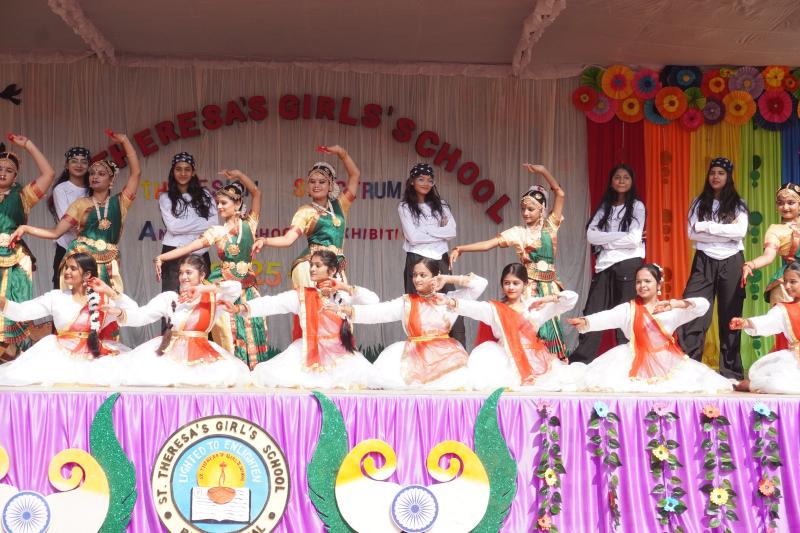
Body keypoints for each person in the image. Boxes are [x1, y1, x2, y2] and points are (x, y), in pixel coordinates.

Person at [450, 164, 569, 360]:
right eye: (523, 209)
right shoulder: (517, 233)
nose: (526, 213)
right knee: (531, 327)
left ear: (542, 209)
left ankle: (552, 364)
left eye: (531, 209)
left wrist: (543, 172)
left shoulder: (551, 226)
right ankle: (526, 363)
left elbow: (560, 193)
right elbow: (488, 244)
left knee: (552, 328)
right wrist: (462, 248)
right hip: (529, 287)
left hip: (550, 286)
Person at [154, 172, 268, 368]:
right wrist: (162, 257)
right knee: (228, 335)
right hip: (224, 290)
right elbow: (189, 247)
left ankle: (252, 374)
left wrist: (239, 175)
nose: (219, 207)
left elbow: (256, 193)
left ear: (237, 204)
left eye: (224, 203)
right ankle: (230, 372)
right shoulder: (217, 231)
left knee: (253, 330)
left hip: (248, 288)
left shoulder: (250, 224)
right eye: (218, 203)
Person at [567, 264, 733, 393]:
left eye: (647, 281)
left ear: (658, 284)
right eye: (638, 282)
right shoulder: (628, 309)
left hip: (666, 361)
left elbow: (703, 306)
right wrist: (585, 321)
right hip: (631, 359)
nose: (642, 285)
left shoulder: (670, 310)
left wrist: (677, 303)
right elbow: (606, 317)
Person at [12, 131, 141, 293]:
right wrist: (26, 228)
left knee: (105, 302)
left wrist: (124, 140)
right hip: (80, 261)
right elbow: (56, 232)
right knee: (76, 303)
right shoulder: (80, 204)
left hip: (108, 262)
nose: (95, 176)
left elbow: (136, 173)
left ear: (111, 180)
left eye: (101, 174)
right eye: (92, 173)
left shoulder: (120, 202)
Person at [239, 250, 379, 389]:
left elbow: (373, 301)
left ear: (332, 270)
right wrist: (242, 308)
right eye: (311, 265)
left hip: (342, 357)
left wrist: (345, 287)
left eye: (318, 265)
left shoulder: (344, 296)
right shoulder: (303, 296)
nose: (312, 269)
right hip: (309, 354)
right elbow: (274, 303)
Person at [342, 258, 487, 390]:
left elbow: (480, 284)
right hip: (412, 359)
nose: (417, 279)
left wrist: (447, 278)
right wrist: (348, 310)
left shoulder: (449, 300)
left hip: (446, 358)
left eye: (423, 275)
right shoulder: (407, 302)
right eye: (415, 275)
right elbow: (380, 311)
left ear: (435, 276)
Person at [108, 255, 249, 387]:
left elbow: (236, 287)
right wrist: (120, 312)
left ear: (202, 275)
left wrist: (203, 289)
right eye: (181, 273)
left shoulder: (214, 299)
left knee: (220, 377)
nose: (183, 277)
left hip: (201, 354)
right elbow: (142, 316)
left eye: (189, 273)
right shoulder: (169, 298)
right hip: (169, 353)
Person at [0, 253, 134, 386]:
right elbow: (23, 312)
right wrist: (2, 302)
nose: (67, 271)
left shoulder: (103, 300)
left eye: (73, 268)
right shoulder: (56, 297)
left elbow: (133, 311)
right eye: (66, 267)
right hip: (59, 359)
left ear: (87, 274)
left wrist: (110, 292)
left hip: (94, 360)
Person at [451, 263, 584, 391]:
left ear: (525, 284)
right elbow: (472, 307)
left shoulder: (535, 306)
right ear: (502, 285)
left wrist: (547, 299)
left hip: (535, 361)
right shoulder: (495, 310)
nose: (511, 287)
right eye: (507, 283)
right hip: (506, 360)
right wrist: (449, 301)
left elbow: (571, 298)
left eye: (516, 283)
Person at [677, 157, 748, 379]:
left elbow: (740, 232)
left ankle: (731, 372)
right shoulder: (699, 203)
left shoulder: (738, 204)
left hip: (732, 261)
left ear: (728, 177)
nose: (715, 177)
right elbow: (692, 233)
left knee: (730, 314)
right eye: (712, 173)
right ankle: (689, 368)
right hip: (704, 261)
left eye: (721, 173)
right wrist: (724, 231)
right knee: (693, 310)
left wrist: (706, 226)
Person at [251, 145, 360, 287]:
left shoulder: (340, 205)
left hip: (334, 265)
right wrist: (264, 241)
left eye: (322, 182)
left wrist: (342, 153)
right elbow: (287, 239)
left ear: (331, 186)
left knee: (339, 300)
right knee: (311, 301)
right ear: (308, 187)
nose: (316, 185)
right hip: (310, 265)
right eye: (312, 182)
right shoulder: (305, 211)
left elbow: (355, 175)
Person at [570, 164, 645, 364]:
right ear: (611, 181)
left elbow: (634, 239)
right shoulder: (605, 207)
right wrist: (620, 236)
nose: (621, 181)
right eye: (617, 177)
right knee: (593, 311)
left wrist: (606, 240)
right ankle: (581, 362)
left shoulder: (637, 206)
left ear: (632, 182)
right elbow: (591, 236)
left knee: (626, 313)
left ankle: (628, 362)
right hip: (604, 265)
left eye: (626, 177)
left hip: (628, 264)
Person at [397, 162, 465, 347]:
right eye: (421, 179)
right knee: (418, 305)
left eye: (429, 180)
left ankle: (458, 350)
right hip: (417, 257)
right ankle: (420, 350)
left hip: (441, 257)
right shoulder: (405, 207)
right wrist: (438, 230)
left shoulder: (441, 205)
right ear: (412, 181)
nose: (426, 183)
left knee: (450, 303)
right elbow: (413, 237)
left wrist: (425, 230)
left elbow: (451, 231)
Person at [0, 135, 55, 354]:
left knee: (15, 302)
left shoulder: (23, 196)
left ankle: (11, 352)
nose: (2, 172)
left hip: (14, 257)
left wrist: (28, 145)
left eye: (9, 170)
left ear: (15, 176)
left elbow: (49, 174)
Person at [731, 262, 800, 393]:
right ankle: (752, 385)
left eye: (793, 282)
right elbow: (767, 322)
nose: (787, 286)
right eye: (785, 281)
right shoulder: (784, 310)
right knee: (778, 384)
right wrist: (745, 323)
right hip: (796, 362)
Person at [158, 152, 217, 295]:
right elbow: (173, 227)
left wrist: (183, 225)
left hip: (200, 253)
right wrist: (201, 222)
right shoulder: (165, 197)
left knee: (201, 297)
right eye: (178, 169)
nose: (183, 173)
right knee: (172, 298)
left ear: (193, 172)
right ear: (173, 172)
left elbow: (213, 224)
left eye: (187, 169)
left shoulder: (205, 195)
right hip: (173, 253)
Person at [47, 146, 89, 289]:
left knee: (88, 289)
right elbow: (67, 220)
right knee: (63, 289)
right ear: (66, 165)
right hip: (66, 248)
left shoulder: (93, 189)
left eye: (84, 161)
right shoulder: (61, 189)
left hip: (89, 248)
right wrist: (88, 227)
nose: (79, 165)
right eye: (74, 161)